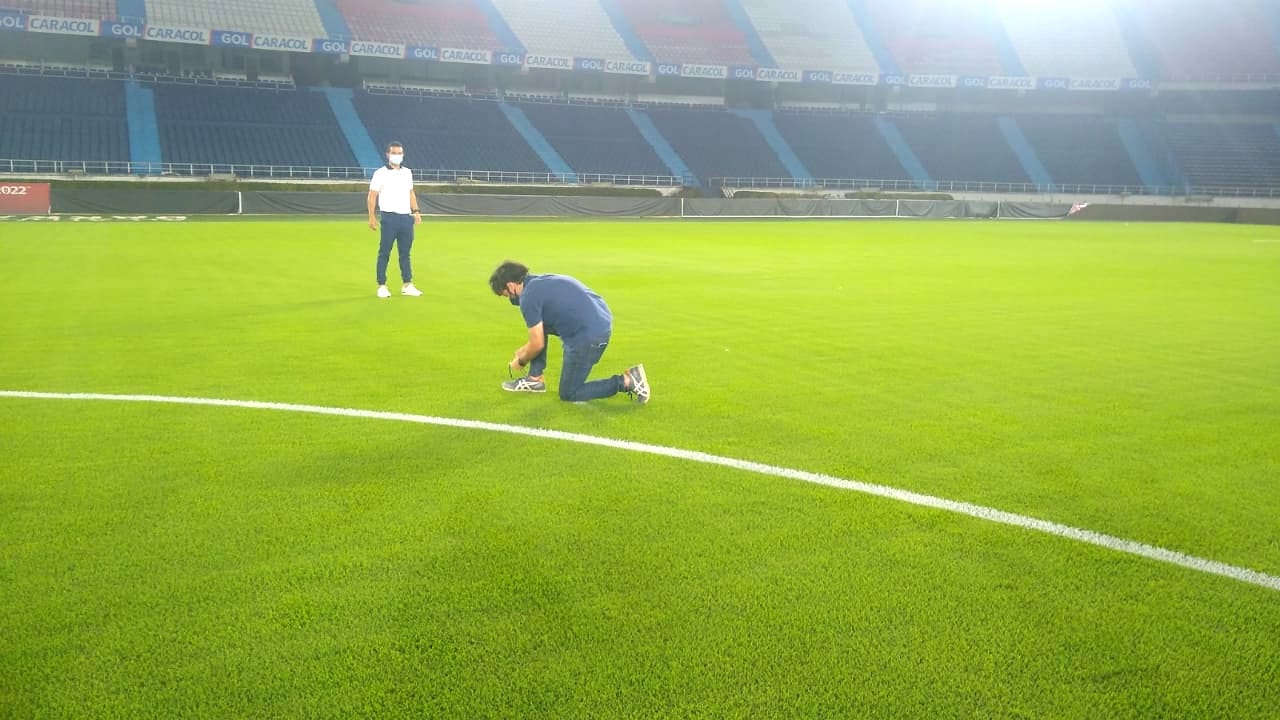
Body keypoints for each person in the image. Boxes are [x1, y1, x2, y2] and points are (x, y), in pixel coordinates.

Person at [489, 261, 650, 404]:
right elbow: (539, 332)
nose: (510, 299)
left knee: (569, 393)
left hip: (588, 337)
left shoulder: (528, 298)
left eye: (506, 295)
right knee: (541, 326)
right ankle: (534, 379)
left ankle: (627, 382)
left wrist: (521, 361)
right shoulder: (541, 281)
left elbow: (537, 344)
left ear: (510, 286)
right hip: (600, 321)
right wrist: (526, 349)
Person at [367, 141, 423, 298]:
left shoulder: (407, 173)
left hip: (406, 218)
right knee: (384, 252)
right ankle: (382, 285)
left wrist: (416, 211)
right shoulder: (380, 173)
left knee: (405, 253)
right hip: (389, 217)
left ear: (403, 155)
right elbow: (372, 196)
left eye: (399, 153)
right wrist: (371, 217)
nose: (397, 156)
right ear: (387, 155)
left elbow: (410, 192)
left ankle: (407, 284)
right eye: (394, 153)